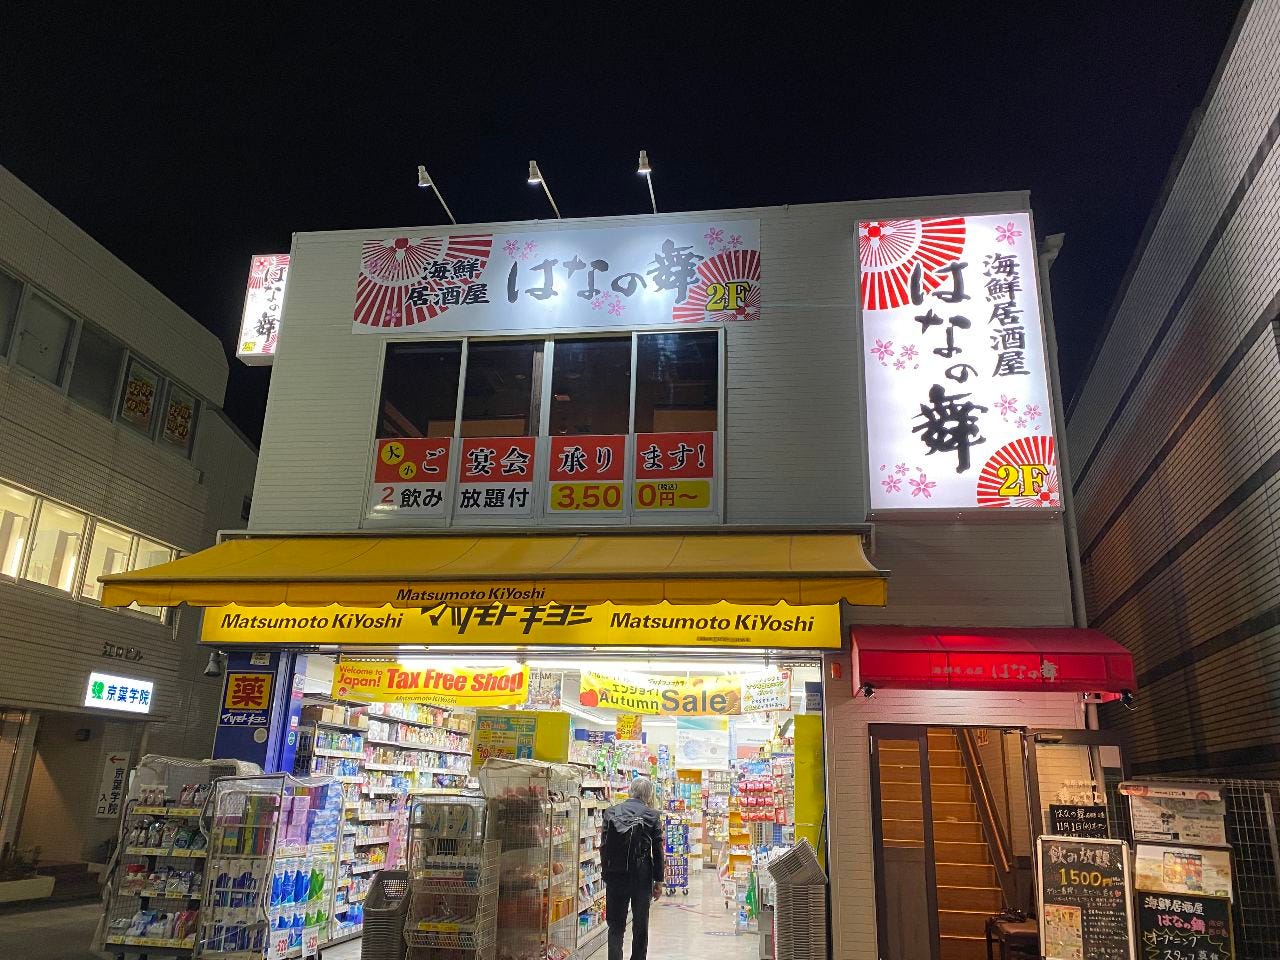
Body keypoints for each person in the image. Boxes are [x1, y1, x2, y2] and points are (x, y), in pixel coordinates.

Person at [600, 776, 664, 960]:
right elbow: (657, 851)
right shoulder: (652, 816)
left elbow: (604, 846)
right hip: (641, 877)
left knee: (615, 926)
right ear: (649, 796)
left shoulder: (611, 812)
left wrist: (607, 873)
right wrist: (658, 881)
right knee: (640, 925)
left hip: (616, 876)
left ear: (630, 791)